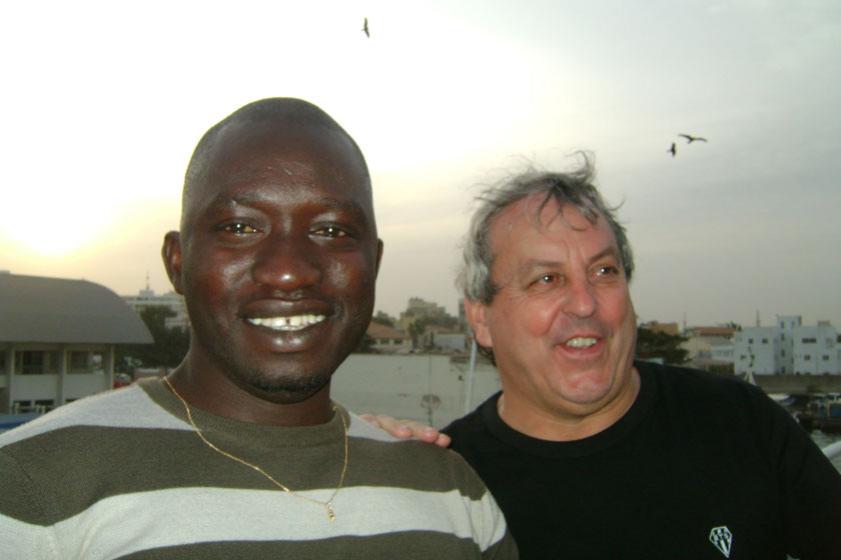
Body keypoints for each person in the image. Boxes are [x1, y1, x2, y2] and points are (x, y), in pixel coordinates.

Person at [0, 98, 517, 559]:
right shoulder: (31, 488)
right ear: (176, 261)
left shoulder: (452, 498)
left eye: (332, 230)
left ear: (373, 263)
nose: (289, 269)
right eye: (240, 228)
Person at [367, 158, 841, 559]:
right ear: (482, 318)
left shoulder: (741, 422)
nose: (584, 303)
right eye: (546, 280)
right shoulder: (450, 487)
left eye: (603, 271)